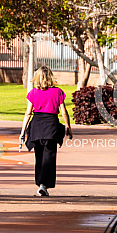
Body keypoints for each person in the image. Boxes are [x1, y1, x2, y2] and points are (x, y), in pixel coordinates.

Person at [19, 66, 73, 196]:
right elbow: (64, 112)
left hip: (37, 125)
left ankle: (40, 183)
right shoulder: (58, 92)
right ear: (50, 77)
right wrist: (68, 127)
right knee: (49, 156)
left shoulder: (33, 93)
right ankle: (44, 184)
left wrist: (23, 131)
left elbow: (28, 113)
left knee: (39, 156)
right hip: (51, 125)